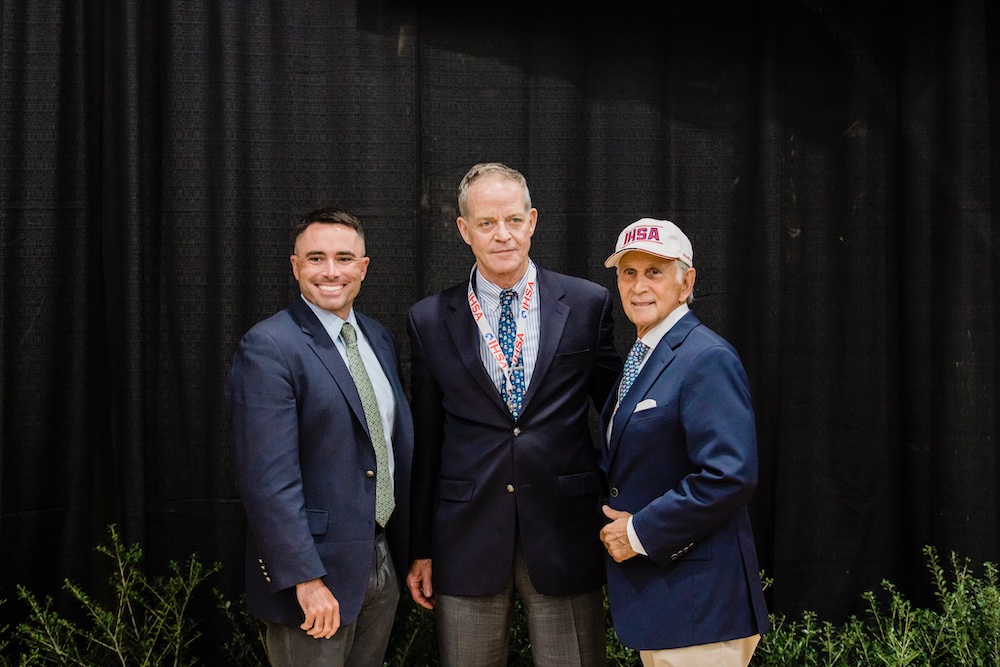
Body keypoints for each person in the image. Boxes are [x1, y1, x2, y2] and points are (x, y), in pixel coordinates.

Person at [406, 162, 622, 667]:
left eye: (513, 220)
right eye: (486, 223)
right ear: (464, 230)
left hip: (566, 530)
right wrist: (421, 547)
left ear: (532, 221)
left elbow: (618, 415)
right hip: (466, 535)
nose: (502, 235)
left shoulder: (588, 304)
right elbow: (427, 438)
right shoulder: (429, 319)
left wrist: (629, 508)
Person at [225, 207, 413, 667]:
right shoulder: (269, 347)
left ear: (363, 267)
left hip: (380, 560)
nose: (331, 271)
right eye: (316, 258)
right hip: (315, 582)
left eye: (344, 258)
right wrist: (306, 580)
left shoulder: (378, 338)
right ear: (295, 266)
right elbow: (267, 481)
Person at [598, 218, 769, 667]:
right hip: (666, 602)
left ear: (686, 281)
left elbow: (729, 475)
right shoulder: (644, 355)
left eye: (654, 272)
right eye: (628, 273)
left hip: (701, 605)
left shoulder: (705, 357)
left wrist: (637, 533)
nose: (638, 287)